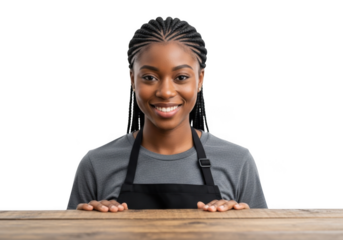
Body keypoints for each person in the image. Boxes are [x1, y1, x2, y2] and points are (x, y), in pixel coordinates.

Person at [66, 15, 268, 212]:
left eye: (181, 77)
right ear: (132, 80)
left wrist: (241, 223)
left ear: (200, 79)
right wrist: (90, 222)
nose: (165, 92)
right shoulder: (96, 164)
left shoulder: (238, 161)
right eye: (149, 77)